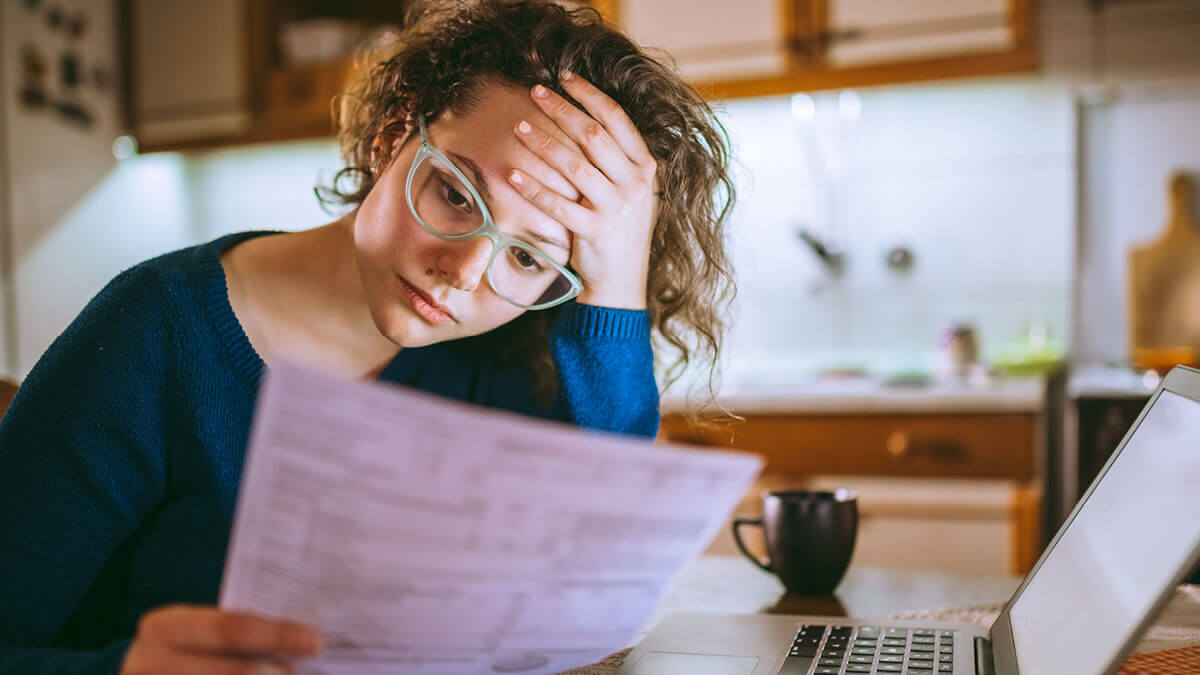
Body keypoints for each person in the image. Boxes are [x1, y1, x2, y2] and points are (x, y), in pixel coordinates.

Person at [0, 0, 736, 672]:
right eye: (455, 193)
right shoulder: (153, 334)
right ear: (394, 135)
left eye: (527, 256)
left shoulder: (505, 363)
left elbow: (600, 575)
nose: (461, 274)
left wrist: (614, 289)